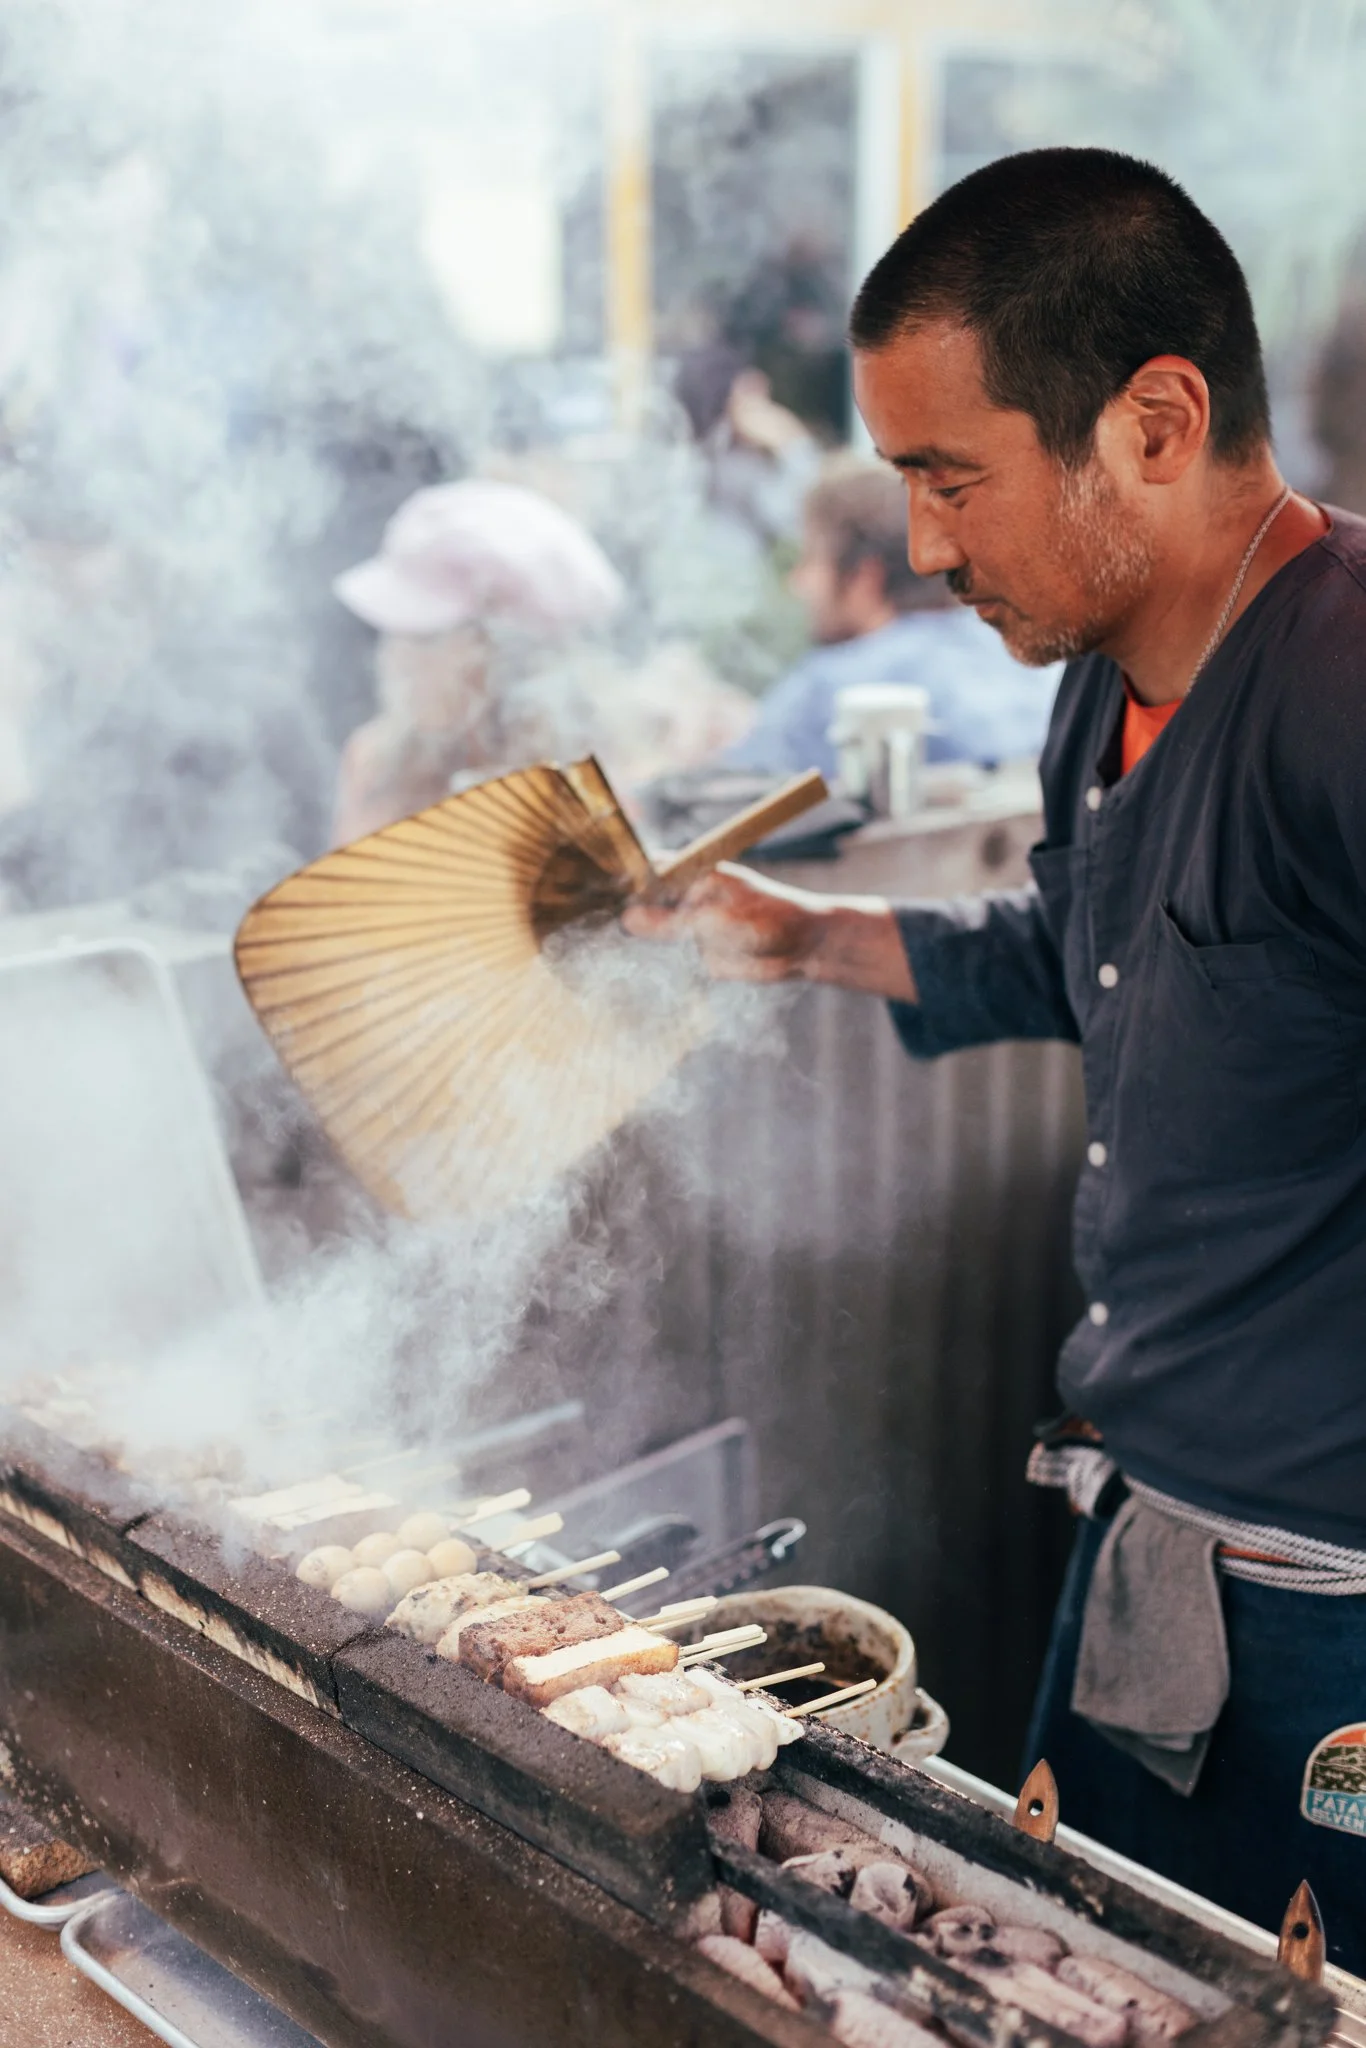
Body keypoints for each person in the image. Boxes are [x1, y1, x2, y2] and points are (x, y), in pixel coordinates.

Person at [626, 147, 1366, 1971]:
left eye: (952, 476)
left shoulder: (1344, 694)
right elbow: (1101, 957)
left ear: (1157, 422)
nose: (927, 546)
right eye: (901, 484)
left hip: (1326, 1624)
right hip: (1139, 1533)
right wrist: (809, 936)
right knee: (1064, 1977)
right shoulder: (1095, 683)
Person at [719, 456, 1060, 779]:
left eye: (811, 559)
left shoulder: (834, 688)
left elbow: (723, 798)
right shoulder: (1022, 654)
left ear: (865, 579)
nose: (797, 582)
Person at [330, 479, 624, 844]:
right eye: (393, 634)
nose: (395, 659)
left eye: (425, 638)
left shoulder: (594, 781)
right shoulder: (376, 766)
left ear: (507, 655)